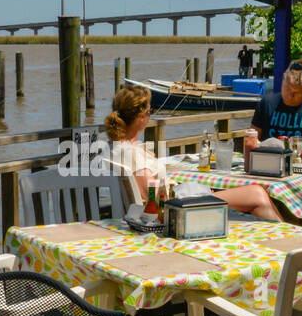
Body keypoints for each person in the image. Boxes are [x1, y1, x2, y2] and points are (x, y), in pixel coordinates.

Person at [104, 84, 280, 221]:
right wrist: (192, 192)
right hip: (177, 209)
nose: (151, 116)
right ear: (141, 117)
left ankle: (285, 247)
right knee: (257, 193)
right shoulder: (132, 153)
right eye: (150, 111)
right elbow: (153, 195)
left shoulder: (115, 148)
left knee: (258, 202)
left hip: (170, 206)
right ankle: (291, 248)